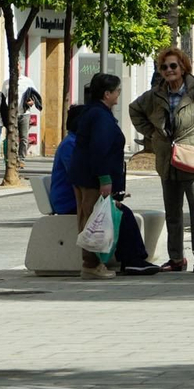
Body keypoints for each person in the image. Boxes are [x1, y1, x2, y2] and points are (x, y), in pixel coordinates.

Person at [129, 47, 194, 273]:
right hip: (167, 160)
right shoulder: (155, 94)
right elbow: (134, 110)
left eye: (173, 66)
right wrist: (151, 134)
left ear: (183, 68)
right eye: (164, 67)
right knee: (173, 212)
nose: (168, 70)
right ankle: (176, 258)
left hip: (193, 158)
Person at [51, 104, 157, 274]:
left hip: (80, 197)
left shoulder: (75, 143)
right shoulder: (71, 145)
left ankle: (134, 258)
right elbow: (81, 180)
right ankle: (132, 259)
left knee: (123, 213)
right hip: (70, 202)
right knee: (123, 214)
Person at [16, 76, 43, 162]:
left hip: (25, 113)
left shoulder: (27, 81)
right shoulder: (7, 81)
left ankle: (21, 159)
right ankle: (12, 158)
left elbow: (35, 94)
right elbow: (4, 97)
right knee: (12, 137)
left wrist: (32, 102)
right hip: (12, 114)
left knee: (24, 138)